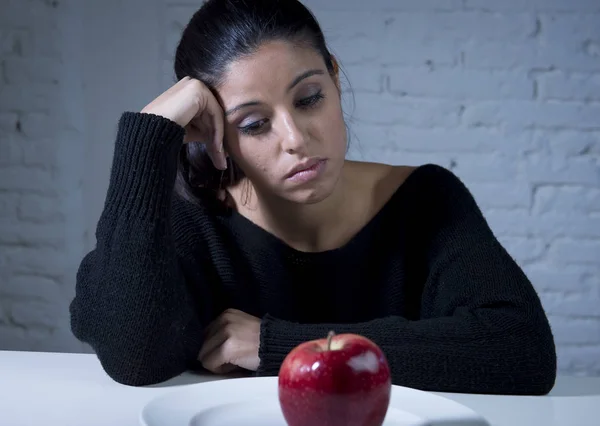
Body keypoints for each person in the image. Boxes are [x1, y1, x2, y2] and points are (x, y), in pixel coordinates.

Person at [69, 0, 557, 395]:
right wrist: (149, 135)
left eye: (308, 99)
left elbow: (521, 350)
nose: (295, 138)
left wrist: (279, 345)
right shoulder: (195, 220)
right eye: (254, 124)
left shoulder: (424, 200)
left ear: (335, 78)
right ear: (211, 133)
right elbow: (132, 355)